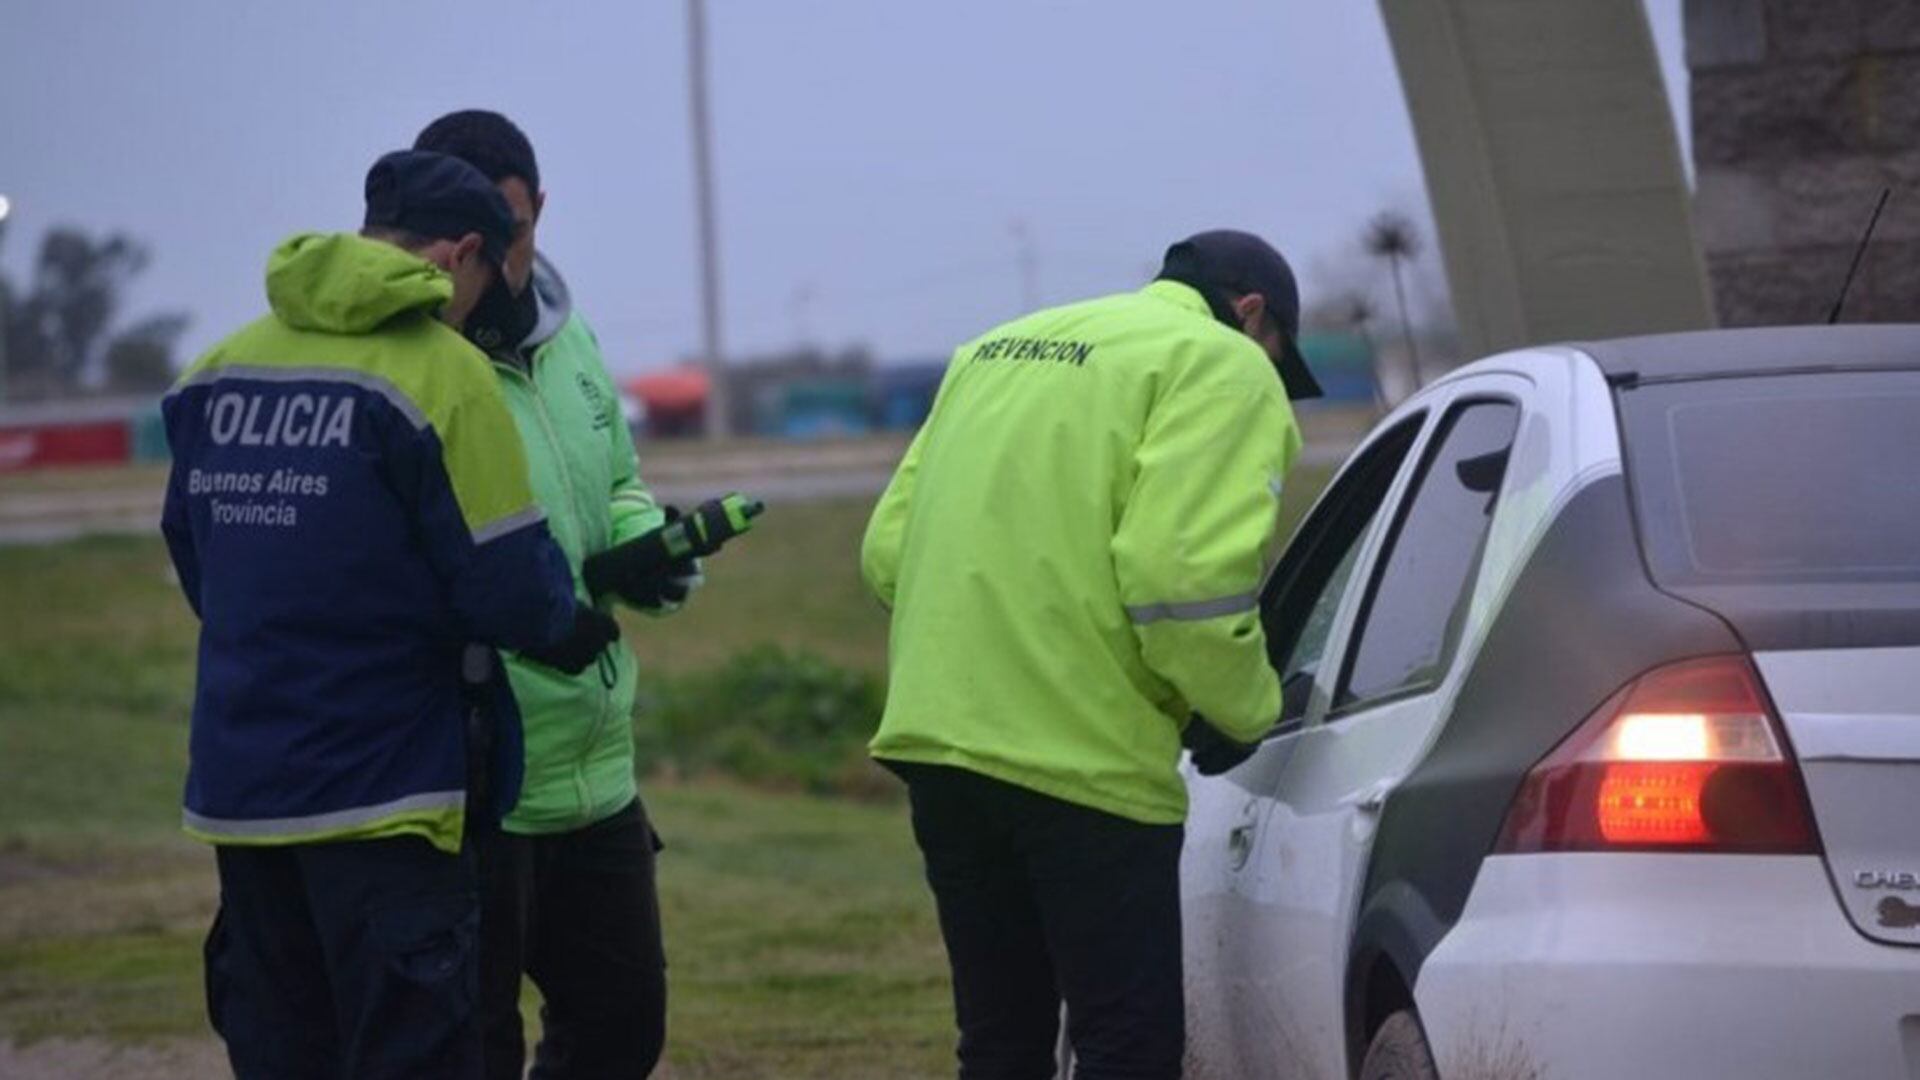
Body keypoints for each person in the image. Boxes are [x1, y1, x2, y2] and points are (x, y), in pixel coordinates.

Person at [161, 149, 621, 1080]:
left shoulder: (220, 368)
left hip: (243, 793)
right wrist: (571, 624)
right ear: (458, 256)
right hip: (386, 795)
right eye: (486, 281)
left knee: (284, 1050)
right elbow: (507, 584)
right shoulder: (444, 373)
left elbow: (197, 559)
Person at [862, 230, 1323, 1080]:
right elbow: (1180, 580)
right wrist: (1246, 708)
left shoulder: (994, 350)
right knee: (1127, 1047)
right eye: (1278, 359)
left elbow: (887, 554)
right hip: (1085, 760)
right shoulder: (1222, 362)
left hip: (941, 746)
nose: (1274, 379)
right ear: (1251, 312)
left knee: (1001, 1043)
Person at [414, 109, 686, 1080]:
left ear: (541, 210)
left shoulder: (571, 337)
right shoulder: (413, 364)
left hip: (596, 763)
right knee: (474, 1046)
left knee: (622, 1031)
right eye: (470, 243)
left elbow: (616, 480)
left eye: (515, 231)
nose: (494, 263)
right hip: (479, 773)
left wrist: (645, 547)